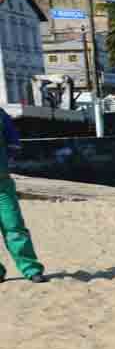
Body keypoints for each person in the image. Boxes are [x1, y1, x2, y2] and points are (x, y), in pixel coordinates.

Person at [0, 107, 46, 284]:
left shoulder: (1, 115)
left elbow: (14, 142)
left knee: (14, 225)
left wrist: (6, 162)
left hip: (2, 185)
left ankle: (31, 269)